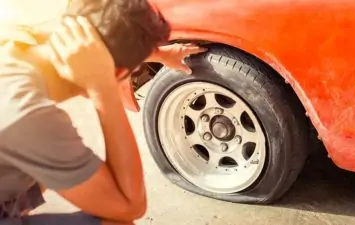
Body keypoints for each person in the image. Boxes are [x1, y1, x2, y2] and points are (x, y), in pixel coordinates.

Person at [0, 0, 206, 224]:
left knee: (47, 154)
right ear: (119, 72)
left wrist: (154, 54)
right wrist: (104, 87)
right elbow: (131, 205)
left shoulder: (13, 40)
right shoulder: (28, 117)